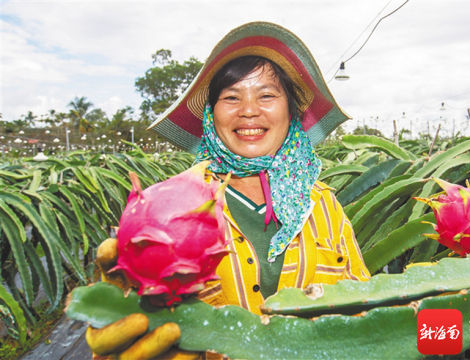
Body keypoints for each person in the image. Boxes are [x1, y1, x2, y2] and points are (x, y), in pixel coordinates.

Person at [87, 21, 370, 359]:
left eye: (266, 95)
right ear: (211, 114)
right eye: (231, 98)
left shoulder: (322, 203)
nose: (249, 111)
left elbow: (364, 306)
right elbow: (131, 327)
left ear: (291, 112)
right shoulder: (166, 208)